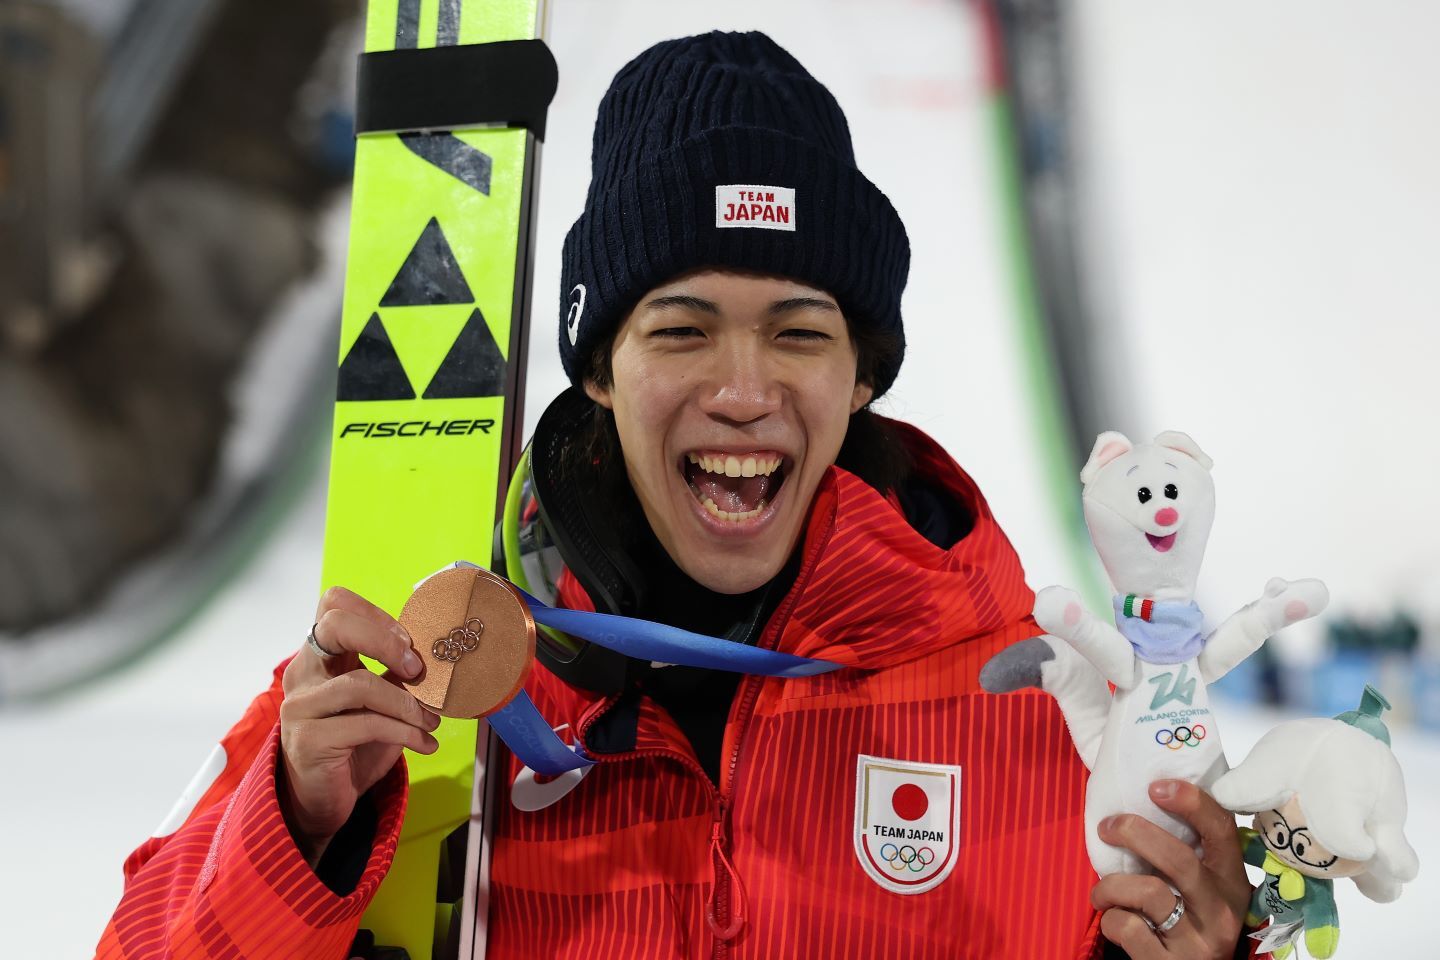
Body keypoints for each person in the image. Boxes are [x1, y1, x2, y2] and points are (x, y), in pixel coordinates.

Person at [97, 31, 1256, 959]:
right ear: (599, 368)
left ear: (864, 377)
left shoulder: (1048, 712)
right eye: (682, 329)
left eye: (799, 333)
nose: (743, 392)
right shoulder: (420, 680)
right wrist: (296, 830)